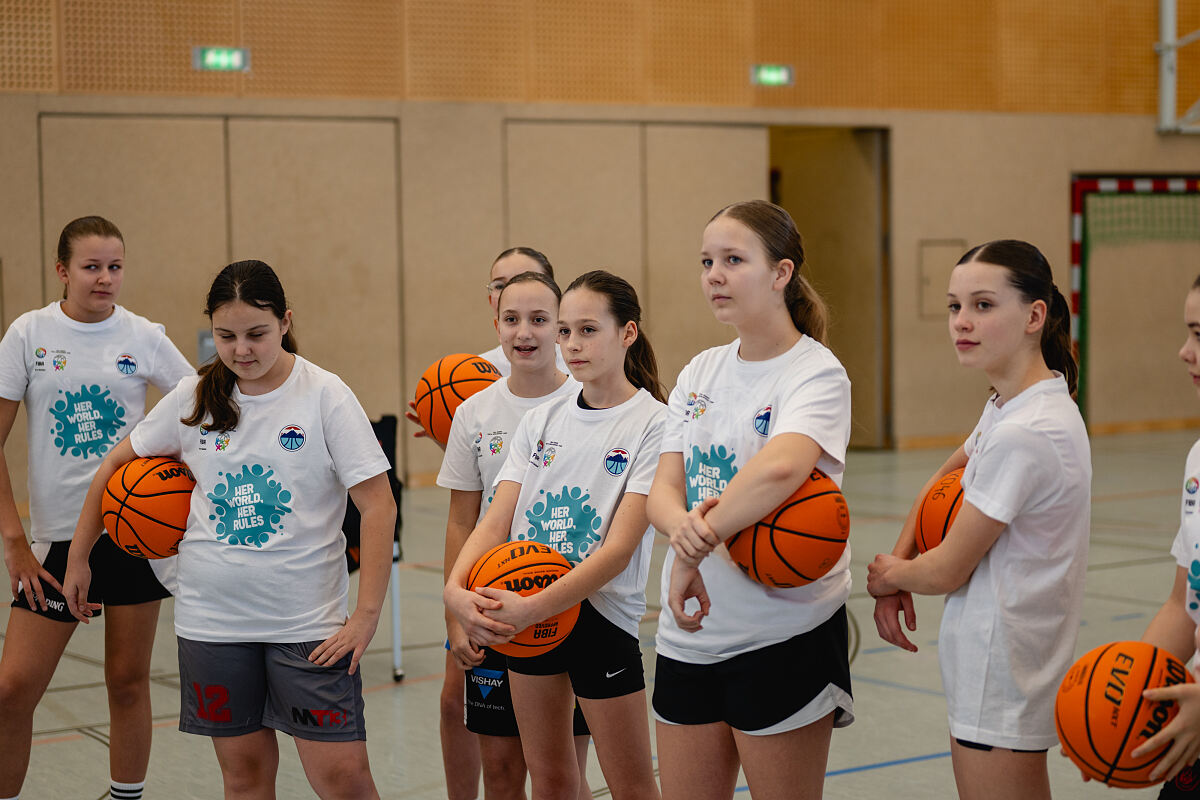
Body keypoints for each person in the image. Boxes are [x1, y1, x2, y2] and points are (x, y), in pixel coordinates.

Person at [62, 260, 396, 799]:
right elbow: (113, 466)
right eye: (226, 336)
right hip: (212, 624)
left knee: (344, 780)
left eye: (257, 334)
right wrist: (81, 556)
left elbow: (378, 505)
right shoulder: (196, 395)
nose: (242, 350)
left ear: (285, 322)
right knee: (243, 778)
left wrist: (366, 615)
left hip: (307, 626)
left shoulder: (325, 395)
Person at [645, 200, 853, 800]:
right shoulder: (700, 371)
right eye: (707, 261)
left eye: (733, 260)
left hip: (783, 630)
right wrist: (681, 534)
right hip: (691, 634)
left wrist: (691, 549)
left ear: (781, 273)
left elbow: (781, 468)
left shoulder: (815, 373)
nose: (714, 274)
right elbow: (664, 488)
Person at [868, 240, 1089, 800]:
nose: (962, 322)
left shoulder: (1027, 431)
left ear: (1034, 316)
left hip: (1004, 669)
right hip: (995, 663)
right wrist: (902, 555)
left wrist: (889, 576)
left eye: (984, 305)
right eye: (954, 306)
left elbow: (948, 571)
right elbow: (941, 481)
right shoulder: (1010, 405)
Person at [445, 270, 666, 800]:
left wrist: (534, 607)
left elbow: (617, 551)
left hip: (598, 616)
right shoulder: (541, 420)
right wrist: (454, 590)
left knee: (631, 784)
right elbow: (495, 522)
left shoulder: (655, 424)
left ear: (628, 333)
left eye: (588, 330)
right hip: (526, 607)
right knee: (550, 778)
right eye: (565, 331)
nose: (572, 345)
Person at [0, 216, 193, 800]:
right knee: (12, 690)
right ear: (62, 270)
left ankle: (125, 795)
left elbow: (204, 407)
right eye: (91, 267)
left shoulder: (144, 335)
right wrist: (14, 541)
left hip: (132, 532)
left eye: (115, 266)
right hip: (57, 538)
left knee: (128, 682)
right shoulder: (28, 335)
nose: (105, 278)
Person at [436, 270, 592, 800]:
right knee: (501, 772)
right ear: (495, 325)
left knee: (562, 774)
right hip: (491, 605)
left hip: (566, 607)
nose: (524, 332)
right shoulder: (473, 411)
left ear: (561, 328)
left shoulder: (590, 402)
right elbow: (463, 522)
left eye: (540, 320)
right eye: (511, 319)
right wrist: (456, 618)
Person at [1124, 274, 1200, 797]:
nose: (1184, 351)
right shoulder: (1199, 457)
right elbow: (1184, 603)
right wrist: (1129, 690)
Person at [406, 247, 566, 448]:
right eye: (500, 285)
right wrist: (446, 436)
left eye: (526, 278)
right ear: (491, 299)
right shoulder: (472, 373)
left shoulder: (579, 372)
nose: (514, 289)